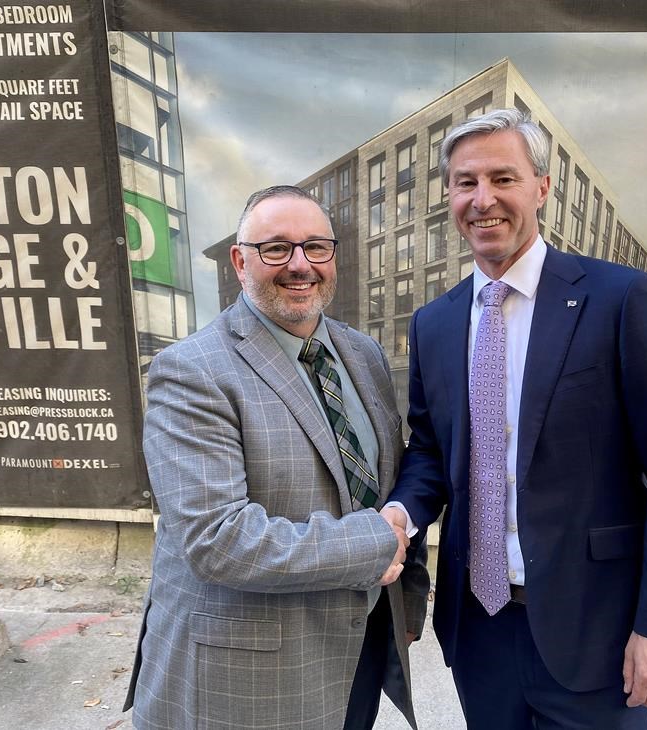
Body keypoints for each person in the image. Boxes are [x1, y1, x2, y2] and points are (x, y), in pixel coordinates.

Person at [382, 109, 647, 729]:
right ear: (449, 195)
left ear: (542, 187)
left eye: (503, 179)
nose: (483, 200)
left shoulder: (621, 299)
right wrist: (401, 513)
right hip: (479, 629)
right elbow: (430, 451)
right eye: (465, 182)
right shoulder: (436, 323)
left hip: (598, 629)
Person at [124, 185, 429, 730]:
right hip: (249, 672)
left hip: (357, 650)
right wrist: (377, 543)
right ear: (240, 261)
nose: (299, 265)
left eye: (315, 247)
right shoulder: (192, 370)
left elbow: (390, 479)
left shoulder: (363, 354)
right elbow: (218, 539)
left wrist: (409, 589)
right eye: (276, 249)